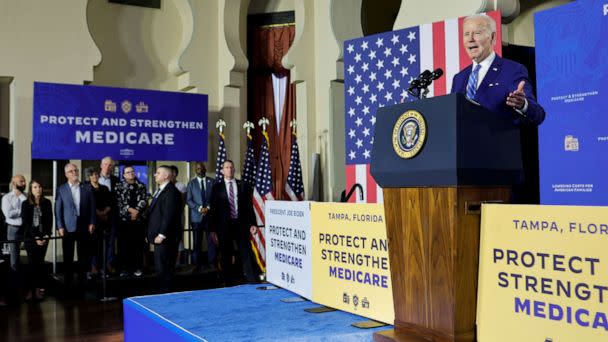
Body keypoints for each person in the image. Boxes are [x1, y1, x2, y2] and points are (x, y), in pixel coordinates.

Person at [451, 14, 545, 126]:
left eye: (477, 33)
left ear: (492, 37)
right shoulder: (459, 78)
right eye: (466, 34)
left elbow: (539, 114)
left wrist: (522, 104)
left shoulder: (512, 70)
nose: (470, 39)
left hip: (497, 141)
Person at [209, 160, 257, 284]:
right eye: (226, 167)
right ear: (222, 171)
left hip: (240, 225)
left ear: (234, 169)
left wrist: (252, 224)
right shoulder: (216, 188)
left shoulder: (243, 185)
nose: (229, 169)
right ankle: (228, 282)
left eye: (231, 167)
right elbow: (213, 209)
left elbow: (248, 207)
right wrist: (213, 229)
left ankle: (252, 280)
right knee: (226, 254)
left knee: (245, 252)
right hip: (224, 226)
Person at [55, 163, 96, 289]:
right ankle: (68, 281)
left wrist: (92, 222)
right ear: (66, 174)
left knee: (83, 255)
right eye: (71, 171)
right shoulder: (61, 189)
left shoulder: (87, 187)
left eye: (76, 170)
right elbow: (58, 210)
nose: (74, 173)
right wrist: (59, 226)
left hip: (84, 225)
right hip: (68, 227)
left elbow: (92, 207)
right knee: (68, 255)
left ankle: (82, 281)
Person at [146, 165, 182, 292]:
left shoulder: (171, 192)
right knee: (160, 268)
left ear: (166, 176)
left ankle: (166, 295)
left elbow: (169, 215)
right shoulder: (160, 190)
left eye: (158, 172)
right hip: (159, 238)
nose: (155, 174)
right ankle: (163, 293)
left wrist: (161, 235)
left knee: (165, 269)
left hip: (166, 238)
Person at [21, 180, 52, 301]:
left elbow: (49, 220)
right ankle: (30, 290)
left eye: (40, 186)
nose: (38, 189)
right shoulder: (25, 204)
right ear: (31, 189)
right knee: (32, 264)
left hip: (44, 238)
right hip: (30, 238)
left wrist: (46, 236)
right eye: (35, 187)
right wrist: (35, 238)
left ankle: (38, 289)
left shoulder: (47, 202)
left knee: (40, 264)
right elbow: (26, 223)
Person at [116, 166, 148, 277]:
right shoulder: (118, 186)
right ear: (123, 175)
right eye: (127, 172)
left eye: (132, 172)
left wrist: (137, 212)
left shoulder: (141, 186)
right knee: (124, 246)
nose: (130, 174)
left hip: (138, 221)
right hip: (124, 221)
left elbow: (144, 200)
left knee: (138, 245)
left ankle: (138, 268)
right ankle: (124, 269)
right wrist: (130, 210)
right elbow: (119, 202)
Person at [186, 162, 215, 271]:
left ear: (205, 169)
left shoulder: (212, 182)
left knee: (211, 241)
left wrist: (208, 207)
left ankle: (211, 263)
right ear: (195, 170)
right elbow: (188, 200)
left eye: (202, 168)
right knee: (197, 242)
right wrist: (199, 209)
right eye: (198, 168)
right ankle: (196, 265)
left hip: (210, 216)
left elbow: (215, 197)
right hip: (196, 217)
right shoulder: (191, 184)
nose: (200, 170)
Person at [84, 167, 112, 278]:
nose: (95, 176)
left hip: (105, 220)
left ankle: (102, 268)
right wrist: (98, 214)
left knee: (103, 245)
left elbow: (110, 203)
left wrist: (104, 213)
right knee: (92, 246)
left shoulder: (104, 188)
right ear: (89, 177)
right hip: (93, 221)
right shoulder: (86, 188)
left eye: (96, 174)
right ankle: (93, 268)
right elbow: (88, 205)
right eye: (92, 175)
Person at [98, 156, 120, 274]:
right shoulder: (93, 178)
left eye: (110, 165)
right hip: (96, 216)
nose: (108, 167)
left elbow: (116, 199)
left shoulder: (116, 180)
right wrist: (99, 213)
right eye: (105, 164)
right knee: (98, 242)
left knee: (111, 241)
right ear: (101, 165)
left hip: (111, 216)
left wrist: (107, 211)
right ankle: (98, 266)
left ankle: (109, 264)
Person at [2, 174, 27, 271]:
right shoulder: (6, 198)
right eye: (21, 181)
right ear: (14, 183)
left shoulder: (26, 196)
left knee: (31, 255)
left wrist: (21, 196)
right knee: (14, 257)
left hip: (26, 228)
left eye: (24, 181)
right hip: (13, 229)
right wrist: (23, 211)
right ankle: (15, 280)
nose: (24, 183)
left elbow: (30, 209)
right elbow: (9, 214)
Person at [169, 165, 187, 267]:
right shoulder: (165, 185)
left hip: (178, 215)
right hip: (168, 217)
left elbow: (183, 203)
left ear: (175, 174)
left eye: (171, 172)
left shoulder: (181, 186)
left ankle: (178, 261)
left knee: (179, 238)